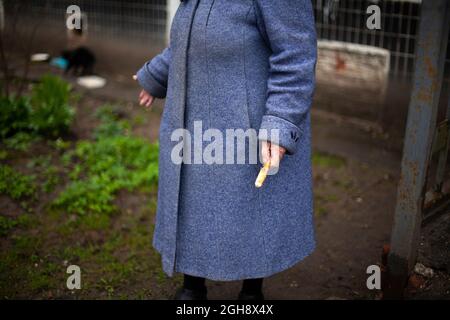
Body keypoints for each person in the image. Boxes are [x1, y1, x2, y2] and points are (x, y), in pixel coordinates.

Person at [136, 0, 317, 300]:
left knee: (252, 205)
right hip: (192, 124)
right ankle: (192, 285)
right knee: (193, 200)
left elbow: (296, 55)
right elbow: (193, 38)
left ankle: (251, 291)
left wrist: (281, 121)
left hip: (248, 127)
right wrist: (157, 74)